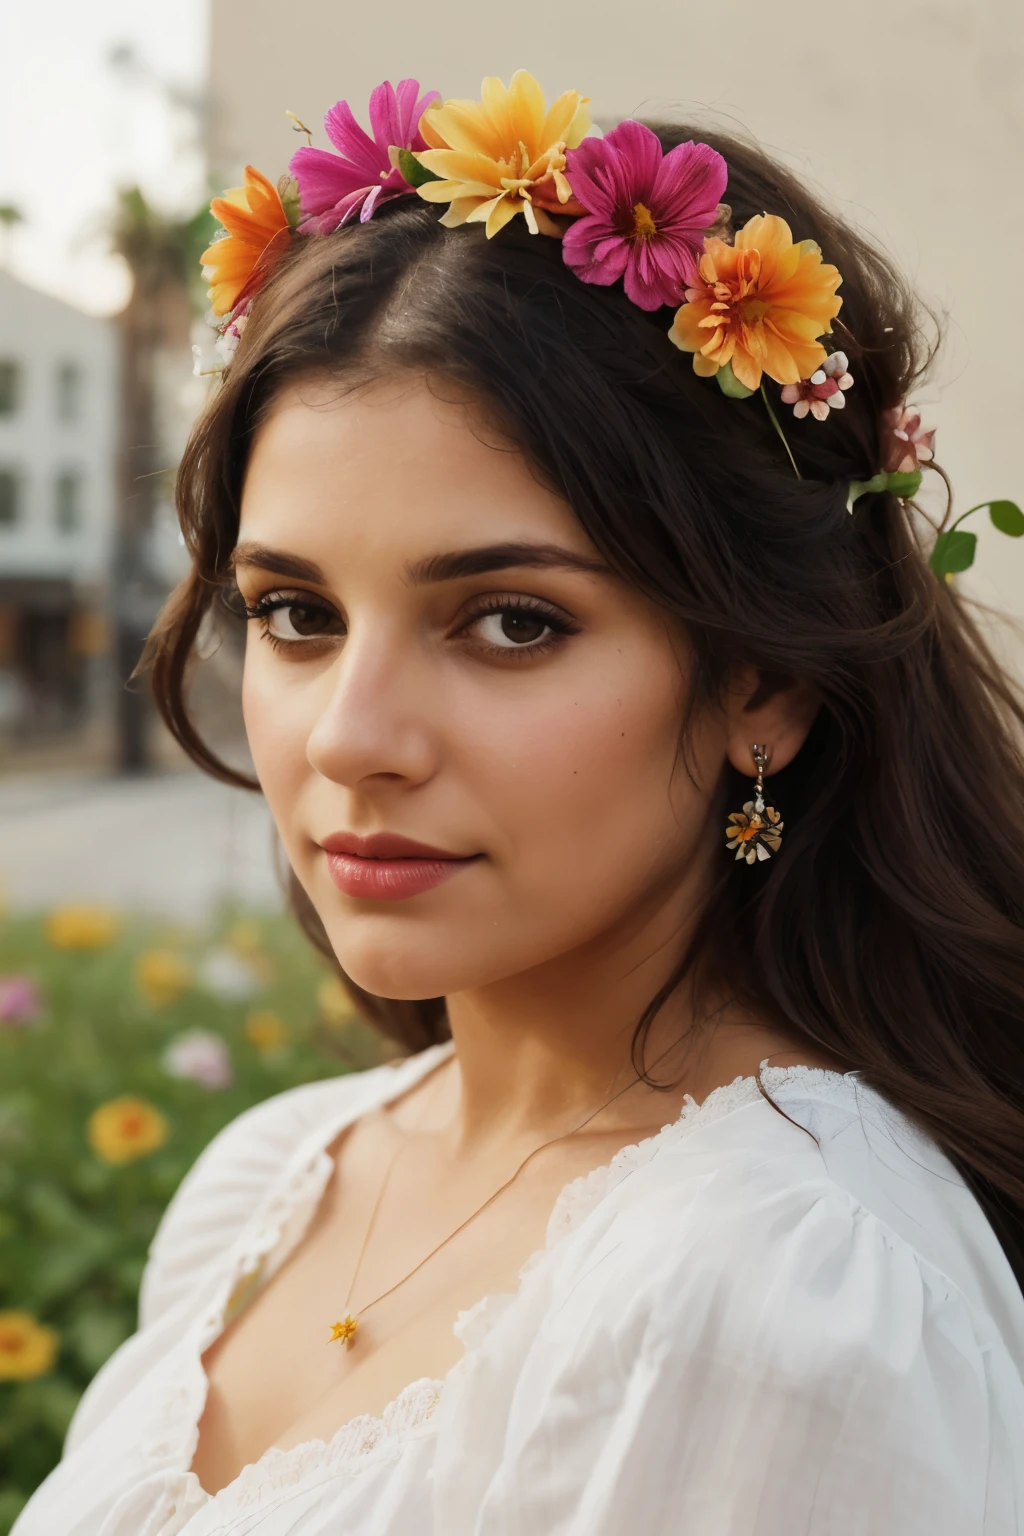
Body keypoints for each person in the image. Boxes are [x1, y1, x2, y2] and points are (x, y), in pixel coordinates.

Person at [15, 70, 1024, 1536]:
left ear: (764, 682)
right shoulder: (278, 1181)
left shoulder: (780, 1295)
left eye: (509, 623)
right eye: (295, 613)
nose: (353, 737)